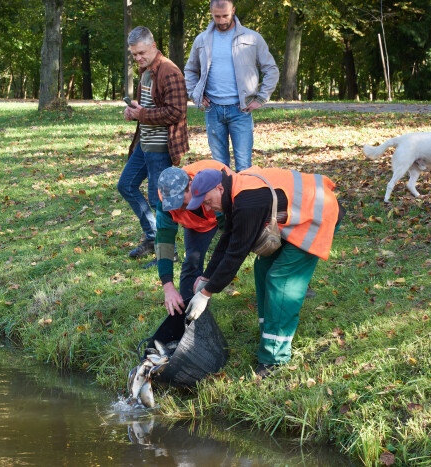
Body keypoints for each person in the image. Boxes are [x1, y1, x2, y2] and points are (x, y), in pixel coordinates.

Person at [182, 167, 345, 377]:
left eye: (207, 201)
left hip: (319, 214)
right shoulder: (234, 191)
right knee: (263, 267)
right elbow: (228, 238)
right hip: (299, 216)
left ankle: (274, 359)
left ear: (219, 188)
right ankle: (270, 333)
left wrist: (207, 293)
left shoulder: (248, 201)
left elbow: (235, 255)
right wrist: (206, 277)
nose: (209, 208)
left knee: (281, 280)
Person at [118, 26, 189, 260]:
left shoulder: (169, 71)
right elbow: (148, 105)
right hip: (145, 143)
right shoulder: (147, 70)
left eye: (141, 53)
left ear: (154, 46)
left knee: (160, 202)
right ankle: (152, 238)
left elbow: (177, 111)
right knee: (126, 185)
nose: (138, 58)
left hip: (161, 147)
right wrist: (133, 112)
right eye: (134, 54)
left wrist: (143, 114)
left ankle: (168, 254)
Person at [184, 0, 279, 172]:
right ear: (211, 13)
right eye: (217, 16)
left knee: (244, 166)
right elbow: (190, 69)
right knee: (220, 168)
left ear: (233, 11)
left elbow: (271, 69)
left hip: (241, 110)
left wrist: (262, 98)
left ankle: (243, 199)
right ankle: (225, 200)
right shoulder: (202, 40)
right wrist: (195, 94)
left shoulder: (252, 38)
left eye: (225, 15)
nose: (221, 21)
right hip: (213, 110)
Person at [155, 160, 232, 316]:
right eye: (174, 204)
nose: (179, 208)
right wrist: (167, 285)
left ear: (190, 185)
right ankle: (188, 314)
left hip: (226, 210)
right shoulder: (165, 203)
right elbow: (164, 242)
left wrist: (208, 277)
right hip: (198, 226)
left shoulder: (215, 185)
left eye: (181, 202)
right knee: (192, 261)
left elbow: (230, 238)